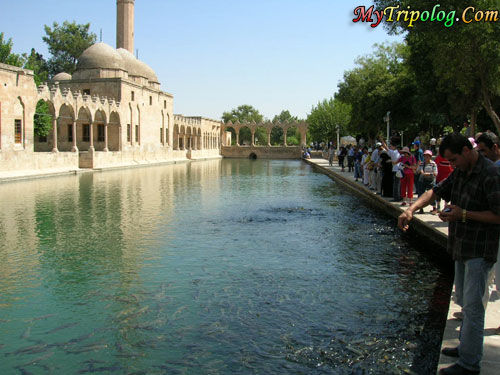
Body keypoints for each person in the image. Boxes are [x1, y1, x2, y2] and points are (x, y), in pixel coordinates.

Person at [398, 133, 500, 375]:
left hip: (479, 249)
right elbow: (436, 191)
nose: (451, 165)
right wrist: (411, 208)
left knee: (474, 307)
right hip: (460, 248)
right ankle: (467, 346)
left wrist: (463, 214)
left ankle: (469, 364)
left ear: (467, 150)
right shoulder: (461, 171)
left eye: (453, 159)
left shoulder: (491, 175)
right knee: (465, 304)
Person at [476, 132, 500, 334]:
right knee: (488, 278)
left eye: (483, 151)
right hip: (491, 236)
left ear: (495, 148)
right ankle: (476, 313)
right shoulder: (486, 169)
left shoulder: (494, 171)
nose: (480, 155)